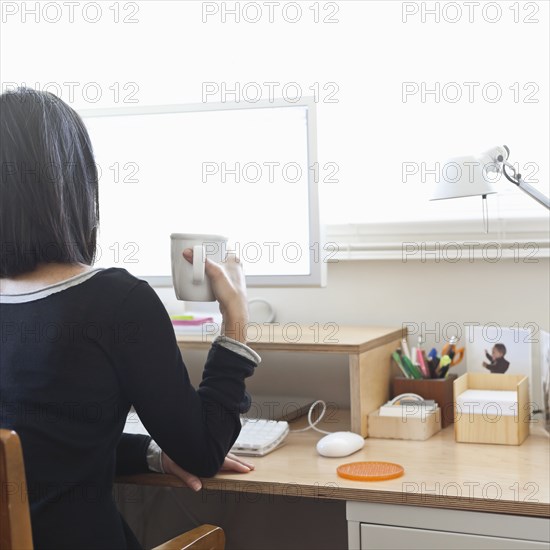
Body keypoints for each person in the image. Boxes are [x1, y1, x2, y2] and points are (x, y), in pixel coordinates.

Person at [0, 87, 259, 549]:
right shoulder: (115, 303)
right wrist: (235, 320)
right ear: (73, 185)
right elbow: (202, 451)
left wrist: (150, 453)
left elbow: (34, 446)